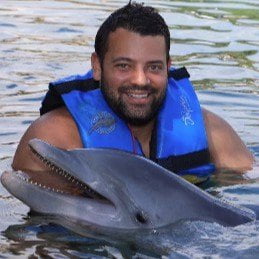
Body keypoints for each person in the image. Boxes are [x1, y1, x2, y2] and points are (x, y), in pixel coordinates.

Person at [12, 2, 254, 184]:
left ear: (168, 68)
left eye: (154, 67)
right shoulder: (52, 141)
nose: (140, 80)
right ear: (97, 66)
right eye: (124, 66)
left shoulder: (213, 132)